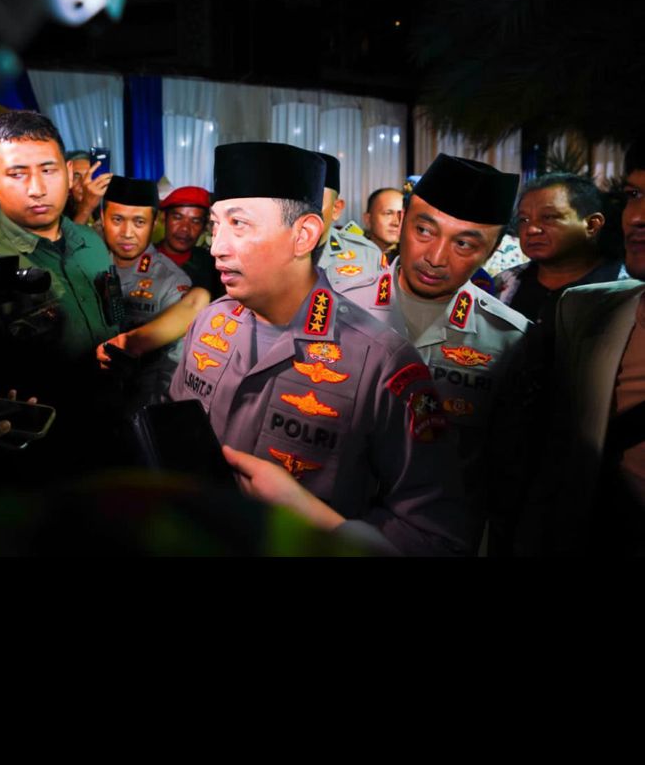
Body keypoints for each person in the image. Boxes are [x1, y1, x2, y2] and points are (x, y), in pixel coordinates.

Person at [170, 142, 473, 555]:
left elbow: (437, 536)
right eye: (215, 224)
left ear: (304, 235)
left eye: (238, 224)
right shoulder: (209, 322)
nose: (216, 246)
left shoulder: (380, 360)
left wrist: (317, 522)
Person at [333, 153, 528, 523]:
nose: (436, 258)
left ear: (493, 250)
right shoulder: (334, 305)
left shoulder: (510, 339)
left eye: (464, 244)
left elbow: (508, 471)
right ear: (403, 220)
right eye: (424, 230)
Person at [512, 141, 645, 556]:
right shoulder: (587, 310)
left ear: (592, 225)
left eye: (549, 218)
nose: (637, 217)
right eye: (634, 195)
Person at [0, 110, 115, 363]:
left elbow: (114, 314)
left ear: (69, 174)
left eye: (48, 170)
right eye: (17, 174)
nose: (37, 190)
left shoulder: (92, 241)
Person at [100, 175, 210, 401]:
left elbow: (171, 365)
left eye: (139, 222)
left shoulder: (171, 281)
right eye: (117, 219)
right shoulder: (89, 261)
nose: (127, 233)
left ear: (153, 223)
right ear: (102, 218)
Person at [494, 172, 625, 330]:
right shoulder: (502, 284)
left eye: (548, 217)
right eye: (524, 219)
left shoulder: (627, 288)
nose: (531, 229)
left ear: (592, 225)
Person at [315, 155, 387, 282]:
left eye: (314, 203)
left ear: (336, 209)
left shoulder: (367, 255)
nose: (300, 212)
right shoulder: (276, 252)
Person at [156, 185, 223, 299]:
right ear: (164, 218)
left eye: (195, 221)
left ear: (204, 227)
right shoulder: (140, 259)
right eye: (178, 217)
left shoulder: (214, 267)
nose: (185, 228)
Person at [363, 186, 404, 259]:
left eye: (401, 215)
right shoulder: (351, 254)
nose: (396, 223)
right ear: (368, 219)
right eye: (388, 213)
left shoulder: (411, 258)